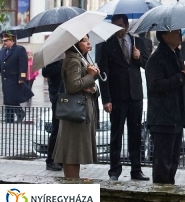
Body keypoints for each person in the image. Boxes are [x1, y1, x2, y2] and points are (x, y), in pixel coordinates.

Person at [97, 14, 151, 181]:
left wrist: (138, 57)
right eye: (114, 26)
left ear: (126, 26)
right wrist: (106, 99)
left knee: (135, 134)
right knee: (116, 134)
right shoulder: (106, 44)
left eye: (120, 26)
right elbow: (103, 73)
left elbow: (148, 65)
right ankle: (114, 170)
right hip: (117, 96)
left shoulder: (138, 42)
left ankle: (136, 169)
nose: (118, 30)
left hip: (135, 96)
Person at [145, 30, 185, 184]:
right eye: (176, 32)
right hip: (163, 118)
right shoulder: (156, 58)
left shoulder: (176, 54)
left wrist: (184, 77)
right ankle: (160, 191)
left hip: (176, 115)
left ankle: (169, 189)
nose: (180, 35)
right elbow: (155, 85)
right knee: (163, 162)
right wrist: (180, 77)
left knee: (173, 160)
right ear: (165, 36)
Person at [53, 35, 101, 179]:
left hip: (81, 111)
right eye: (83, 40)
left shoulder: (81, 59)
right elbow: (72, 86)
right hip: (76, 113)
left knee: (74, 153)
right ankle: (72, 185)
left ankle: (73, 183)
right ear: (75, 44)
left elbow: (89, 86)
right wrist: (90, 76)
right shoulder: (73, 60)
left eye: (87, 39)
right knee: (72, 153)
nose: (88, 42)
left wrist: (93, 85)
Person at [1, 33, 30, 123]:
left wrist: (22, 78)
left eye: (6, 41)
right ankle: (9, 118)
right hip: (5, 79)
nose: (4, 42)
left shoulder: (19, 49)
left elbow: (23, 64)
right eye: (3, 41)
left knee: (11, 98)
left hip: (14, 79)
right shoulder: (2, 51)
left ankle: (20, 113)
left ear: (12, 40)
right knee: (7, 99)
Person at [40, 58, 62, 171]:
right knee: (56, 128)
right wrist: (62, 65)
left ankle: (61, 159)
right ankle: (51, 160)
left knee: (65, 130)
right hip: (57, 97)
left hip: (69, 97)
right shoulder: (55, 57)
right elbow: (45, 72)